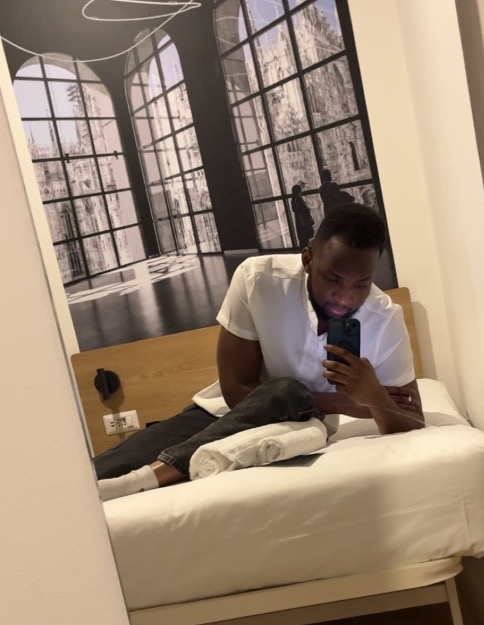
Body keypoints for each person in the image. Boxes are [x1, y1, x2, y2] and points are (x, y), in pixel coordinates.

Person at [94, 204, 425, 501]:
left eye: (361, 284)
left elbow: (413, 422)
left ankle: (150, 477)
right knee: (97, 473)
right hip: (220, 413)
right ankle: (150, 473)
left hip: (302, 428)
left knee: (290, 392)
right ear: (308, 259)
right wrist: (346, 403)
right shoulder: (259, 279)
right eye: (332, 279)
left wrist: (374, 397)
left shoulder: (385, 319)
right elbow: (236, 390)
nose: (344, 297)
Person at [291, 183, 315, 247]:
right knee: (306, 238)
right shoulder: (299, 199)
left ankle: (303, 251)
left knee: (303, 239)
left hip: (299, 221)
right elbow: (304, 209)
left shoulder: (293, 200)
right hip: (303, 221)